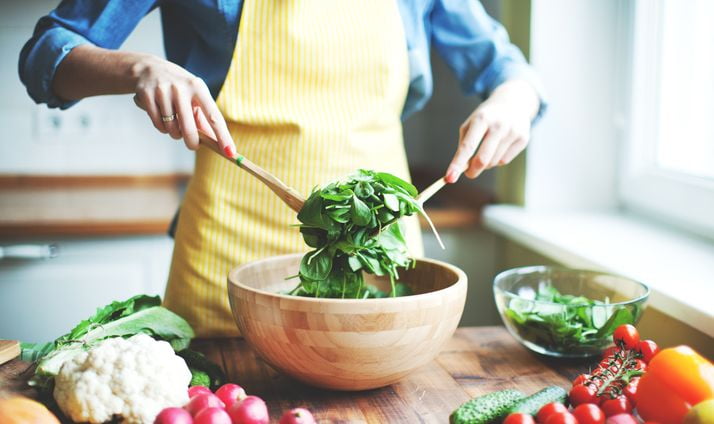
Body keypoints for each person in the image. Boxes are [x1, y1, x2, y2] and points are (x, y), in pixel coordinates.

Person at [20, 0, 545, 337]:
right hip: (225, 255)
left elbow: (506, 67)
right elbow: (46, 54)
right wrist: (141, 68)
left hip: (380, 252)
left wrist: (514, 101)